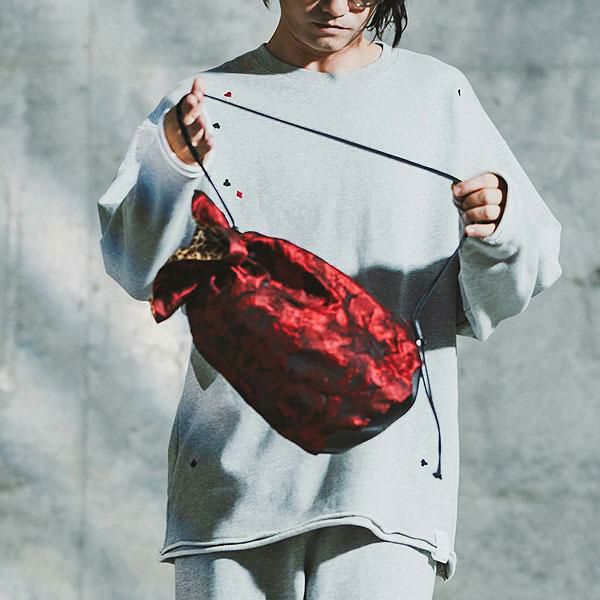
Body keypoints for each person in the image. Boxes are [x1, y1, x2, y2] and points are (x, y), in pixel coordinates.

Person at [96, 0, 563, 598]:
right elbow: (137, 269)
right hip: (230, 483)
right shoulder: (204, 103)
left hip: (387, 484)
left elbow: (516, 278)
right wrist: (170, 165)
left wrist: (500, 224)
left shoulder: (435, 97)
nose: (336, 6)